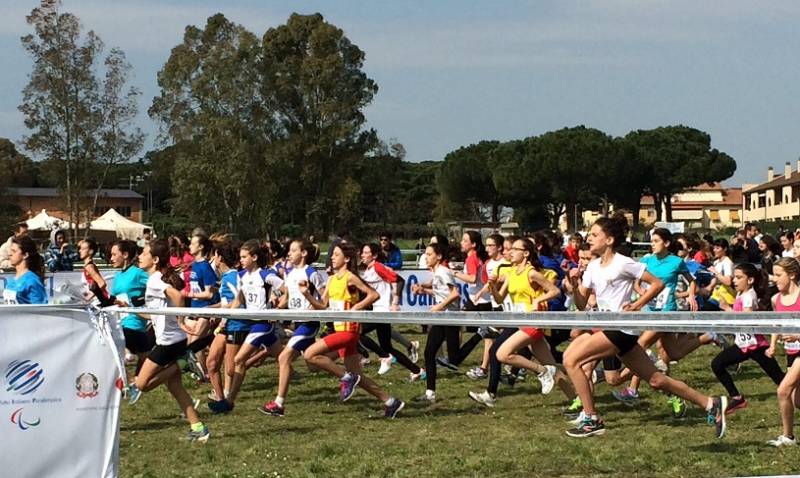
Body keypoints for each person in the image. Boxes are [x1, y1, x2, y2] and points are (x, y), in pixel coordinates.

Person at [562, 212, 728, 438]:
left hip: (622, 329)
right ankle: (711, 403)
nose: (588, 238)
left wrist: (637, 304)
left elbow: (656, 284)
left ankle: (591, 418)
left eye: (594, 235)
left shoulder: (624, 263)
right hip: (609, 327)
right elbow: (582, 305)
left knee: (571, 359)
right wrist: (574, 285)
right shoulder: (592, 267)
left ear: (609, 240)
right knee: (656, 380)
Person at [302, 242, 405, 418]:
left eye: (336, 254)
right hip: (339, 330)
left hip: (349, 331)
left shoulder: (350, 277)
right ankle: (391, 402)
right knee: (358, 376)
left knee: (310, 355)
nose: (332, 258)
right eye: (332, 255)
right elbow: (322, 305)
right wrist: (307, 294)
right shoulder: (332, 280)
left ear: (347, 258)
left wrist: (357, 307)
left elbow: (374, 294)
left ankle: (346, 378)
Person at [469, 238, 575, 408]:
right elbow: (500, 299)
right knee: (552, 366)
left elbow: (555, 291)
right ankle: (577, 401)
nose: (510, 252)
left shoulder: (532, 273)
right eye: (510, 250)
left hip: (534, 322)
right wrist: (493, 286)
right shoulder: (511, 273)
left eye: (515, 249)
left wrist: (538, 299)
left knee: (502, 354)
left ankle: (542, 372)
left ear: (526, 253)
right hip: (520, 322)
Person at [132, 240, 209, 442]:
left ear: (155, 260)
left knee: (141, 384)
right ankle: (199, 429)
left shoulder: (155, 281)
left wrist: (181, 319)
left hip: (169, 343)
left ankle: (183, 362)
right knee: (176, 388)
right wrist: (129, 309)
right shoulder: (155, 279)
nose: (140, 256)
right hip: (175, 340)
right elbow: (156, 314)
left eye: (144, 253)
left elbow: (178, 296)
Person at [208, 240, 286, 414]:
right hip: (253, 324)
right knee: (284, 358)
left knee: (238, 360)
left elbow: (285, 288)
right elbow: (239, 299)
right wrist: (226, 316)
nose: (241, 260)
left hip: (263, 324)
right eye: (241, 257)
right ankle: (280, 400)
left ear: (255, 257)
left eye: (244, 257)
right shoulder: (243, 276)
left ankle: (229, 402)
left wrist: (279, 307)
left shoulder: (265, 275)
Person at [259, 239, 326, 417]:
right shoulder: (289, 274)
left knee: (283, 358)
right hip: (298, 324)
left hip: (308, 324)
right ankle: (346, 373)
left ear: (303, 253)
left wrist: (314, 306)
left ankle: (279, 403)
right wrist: (276, 312)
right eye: (289, 250)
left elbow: (324, 297)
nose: (289, 253)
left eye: (293, 250)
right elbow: (287, 298)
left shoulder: (311, 273)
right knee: (313, 364)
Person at [710, 263, 784, 415]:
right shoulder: (741, 294)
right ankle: (736, 398)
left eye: (739, 278)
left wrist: (727, 309)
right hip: (743, 344)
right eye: (734, 277)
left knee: (780, 380)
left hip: (755, 345)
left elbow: (746, 320)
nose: (735, 281)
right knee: (717, 364)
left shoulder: (749, 296)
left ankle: (793, 392)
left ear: (750, 280)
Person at [358, 242, 423, 379]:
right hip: (377, 310)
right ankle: (417, 371)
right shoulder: (369, 270)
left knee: (358, 332)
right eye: (362, 252)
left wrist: (395, 301)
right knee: (387, 346)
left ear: (374, 255)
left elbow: (399, 280)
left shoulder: (378, 267)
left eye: (365, 252)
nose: (362, 255)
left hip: (382, 311)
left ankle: (384, 357)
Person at [413, 242, 461, 403]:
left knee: (455, 359)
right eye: (425, 254)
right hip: (443, 317)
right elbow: (441, 292)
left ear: (439, 256)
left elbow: (455, 294)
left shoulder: (443, 272)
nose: (425, 257)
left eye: (429, 254)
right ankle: (430, 393)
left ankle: (480, 334)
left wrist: (439, 307)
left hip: (450, 316)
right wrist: (423, 291)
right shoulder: (437, 273)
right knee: (429, 353)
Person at [109, 240, 152, 392]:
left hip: (134, 322)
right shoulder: (118, 275)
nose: (111, 258)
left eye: (115, 254)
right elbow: (112, 298)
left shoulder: (138, 273)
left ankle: (129, 383)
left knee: (118, 348)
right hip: (120, 321)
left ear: (125, 255)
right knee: (145, 356)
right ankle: (134, 383)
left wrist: (144, 301)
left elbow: (156, 285)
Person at [768, 257, 800, 446]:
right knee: (796, 401)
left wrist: (797, 337)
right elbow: (776, 324)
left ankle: (788, 437)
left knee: (783, 391)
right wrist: (773, 344)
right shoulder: (776, 299)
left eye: (779, 275)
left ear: (792, 275)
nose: (774, 279)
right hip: (790, 352)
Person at [1, 235, 46, 305]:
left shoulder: (32, 281)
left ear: (25, 255)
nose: (9, 254)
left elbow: (41, 311)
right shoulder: (11, 281)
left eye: (14, 251)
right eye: (10, 250)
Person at [78, 237, 113, 306]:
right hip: (96, 301)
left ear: (91, 251)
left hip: (99, 301)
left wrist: (89, 297)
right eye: (80, 248)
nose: (80, 251)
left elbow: (102, 283)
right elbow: (94, 285)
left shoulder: (89, 267)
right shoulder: (88, 266)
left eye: (83, 249)